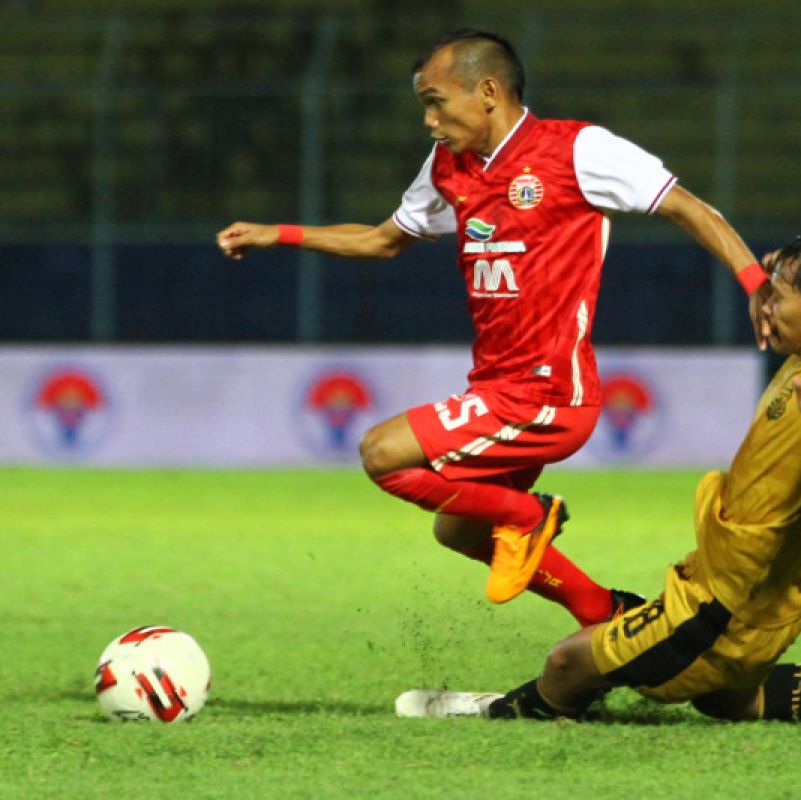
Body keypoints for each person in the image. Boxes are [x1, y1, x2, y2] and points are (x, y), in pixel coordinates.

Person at [216, 29, 772, 626]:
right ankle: (602, 610)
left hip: (548, 393)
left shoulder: (579, 150)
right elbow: (383, 240)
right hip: (494, 387)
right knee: (458, 528)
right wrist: (283, 233)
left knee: (382, 452)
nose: (429, 121)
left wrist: (755, 285)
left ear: (487, 91)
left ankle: (528, 516)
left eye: (436, 101)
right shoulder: (448, 166)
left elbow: (687, 206)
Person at [395, 231, 801, 724]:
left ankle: (502, 710)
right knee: (731, 696)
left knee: (567, 666)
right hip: (756, 591)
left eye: (781, 295)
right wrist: (774, 274)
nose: (768, 303)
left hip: (726, 605)